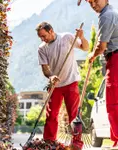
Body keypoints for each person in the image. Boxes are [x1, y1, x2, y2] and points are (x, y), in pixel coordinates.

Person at [36, 22, 89, 149]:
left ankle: (76, 143)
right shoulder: (42, 48)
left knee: (74, 115)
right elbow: (45, 68)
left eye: (44, 36)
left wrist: (82, 37)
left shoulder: (67, 37)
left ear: (51, 31)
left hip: (71, 82)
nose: (43, 39)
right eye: (40, 37)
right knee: (51, 115)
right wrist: (51, 76)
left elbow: (85, 48)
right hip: (55, 85)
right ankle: (49, 142)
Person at [87, 0, 118, 147]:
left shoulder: (107, 15)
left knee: (113, 102)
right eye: (90, 2)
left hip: (116, 59)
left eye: (95, 0)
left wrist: (92, 56)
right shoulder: (108, 13)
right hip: (112, 58)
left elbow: (101, 45)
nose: (93, 4)